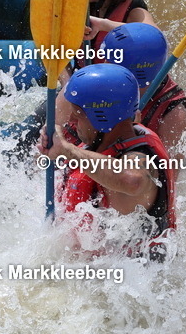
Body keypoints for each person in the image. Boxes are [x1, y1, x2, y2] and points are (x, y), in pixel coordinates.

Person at [39, 64, 175, 259]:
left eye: (77, 114)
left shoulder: (139, 158)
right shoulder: (104, 141)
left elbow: (133, 179)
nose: (70, 120)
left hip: (130, 280)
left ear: (102, 118)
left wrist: (67, 150)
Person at [98, 22, 186, 156]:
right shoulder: (96, 83)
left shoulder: (174, 114)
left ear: (136, 72)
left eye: (111, 63)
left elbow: (165, 173)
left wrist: (132, 138)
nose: (103, 67)